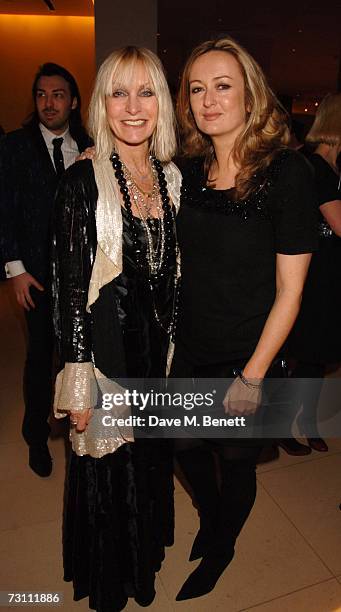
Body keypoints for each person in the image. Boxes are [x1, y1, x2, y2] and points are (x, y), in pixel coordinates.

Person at [171, 37, 317, 600]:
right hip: (187, 345)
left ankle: (223, 543)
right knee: (182, 443)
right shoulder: (186, 169)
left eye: (222, 85)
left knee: (236, 462)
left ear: (250, 95)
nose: (208, 99)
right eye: (197, 89)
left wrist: (253, 376)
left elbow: (290, 291)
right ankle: (212, 520)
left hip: (247, 353)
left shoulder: (287, 173)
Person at [52, 46, 181, 611]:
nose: (133, 108)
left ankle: (141, 566)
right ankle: (110, 583)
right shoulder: (83, 182)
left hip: (157, 363)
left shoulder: (175, 179)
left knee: (147, 470)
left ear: (163, 103)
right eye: (119, 92)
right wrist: (78, 385)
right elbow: (69, 293)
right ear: (102, 104)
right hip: (105, 362)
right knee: (108, 479)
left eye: (146, 91)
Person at [0, 63, 90, 477]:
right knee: (40, 357)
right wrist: (14, 270)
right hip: (33, 275)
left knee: (76, 357)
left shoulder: (90, 145)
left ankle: (77, 429)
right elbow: (4, 210)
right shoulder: (14, 147)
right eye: (41, 94)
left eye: (57, 94)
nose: (48, 102)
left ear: (73, 101)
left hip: (82, 277)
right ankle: (35, 433)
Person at [286, 92, 341, 454]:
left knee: (313, 357)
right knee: (303, 356)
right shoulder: (314, 167)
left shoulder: (327, 166)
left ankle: (304, 422)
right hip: (313, 275)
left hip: (325, 274)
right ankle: (285, 427)